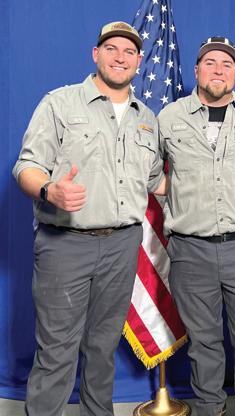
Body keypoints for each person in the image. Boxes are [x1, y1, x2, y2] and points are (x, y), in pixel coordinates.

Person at [12, 21, 166, 416]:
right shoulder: (60, 103)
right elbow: (26, 166)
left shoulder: (147, 118)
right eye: (111, 49)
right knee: (57, 350)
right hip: (66, 244)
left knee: (103, 347)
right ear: (96, 54)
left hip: (122, 245)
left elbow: (156, 181)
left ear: (139, 61)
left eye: (129, 52)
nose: (120, 57)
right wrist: (49, 190)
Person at [157, 37, 235, 416]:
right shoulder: (169, 118)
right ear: (196, 70)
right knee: (203, 342)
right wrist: (184, 199)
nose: (218, 70)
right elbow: (147, 172)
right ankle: (210, 409)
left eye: (227, 64)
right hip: (191, 250)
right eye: (210, 62)